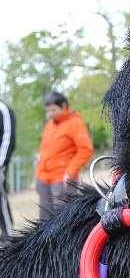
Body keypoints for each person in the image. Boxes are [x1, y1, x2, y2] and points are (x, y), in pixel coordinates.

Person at [35, 91, 94, 219]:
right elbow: (44, 148)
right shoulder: (50, 124)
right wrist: (38, 174)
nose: (51, 114)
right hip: (44, 177)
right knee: (44, 219)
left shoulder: (75, 123)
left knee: (62, 217)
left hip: (62, 179)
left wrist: (70, 172)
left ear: (63, 105)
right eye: (49, 111)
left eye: (53, 110)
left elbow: (85, 149)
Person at [0, 100, 16, 240]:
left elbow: (8, 138)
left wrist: (1, 163)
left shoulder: (3, 109)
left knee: (1, 200)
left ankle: (8, 236)